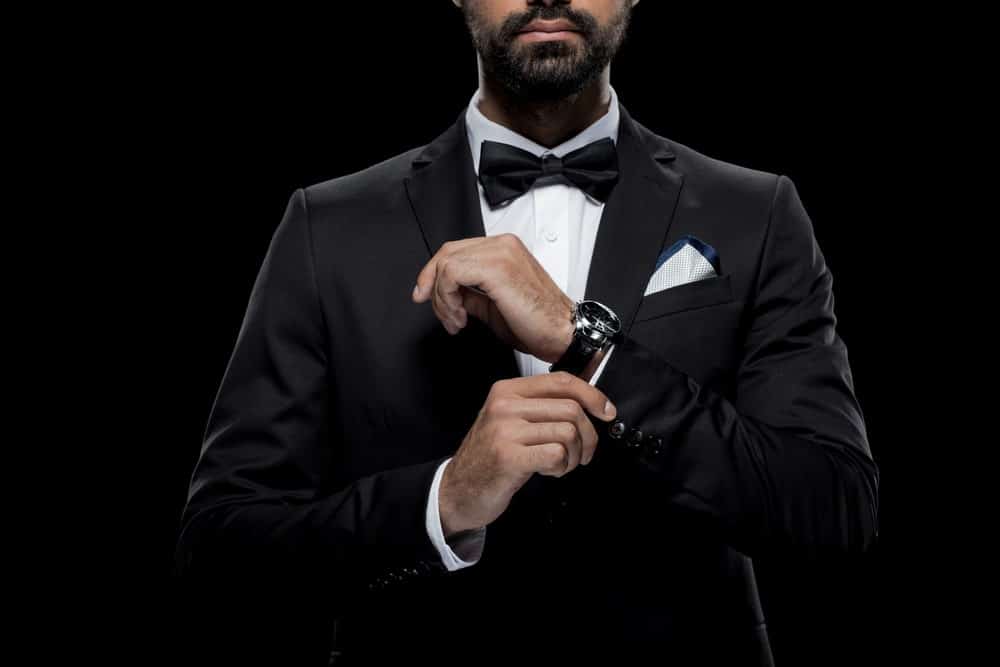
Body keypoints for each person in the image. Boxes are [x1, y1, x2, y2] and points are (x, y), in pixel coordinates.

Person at [175, 1, 879, 664]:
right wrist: (445, 501)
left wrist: (589, 345)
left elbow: (834, 510)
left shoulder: (757, 214)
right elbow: (223, 550)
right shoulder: (325, 228)